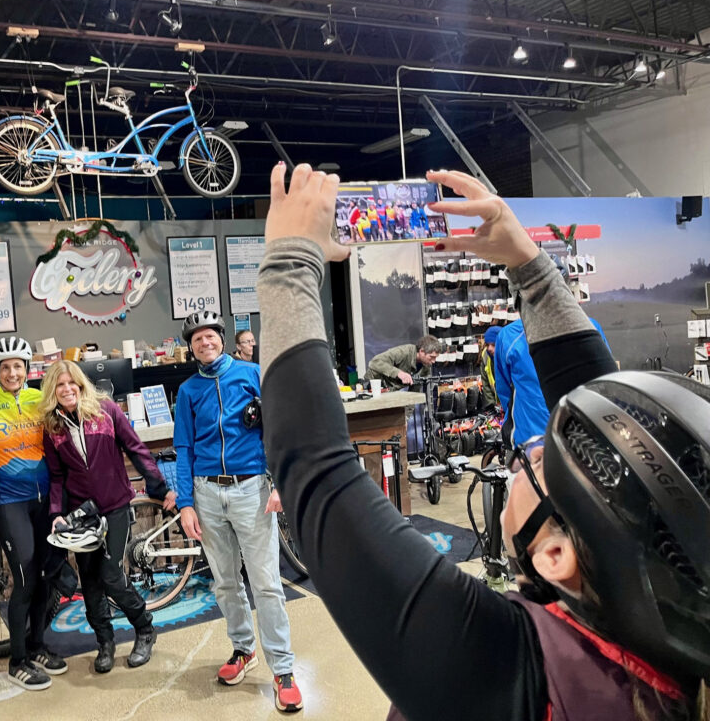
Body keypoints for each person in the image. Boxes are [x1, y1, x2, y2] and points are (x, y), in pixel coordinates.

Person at [257, 162, 710, 720]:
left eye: (547, 466)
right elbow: (592, 413)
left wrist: (287, 262)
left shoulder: (506, 670)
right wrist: (531, 270)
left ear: (556, 555)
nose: (537, 449)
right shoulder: (657, 653)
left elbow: (315, 471)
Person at [173, 311, 303, 714]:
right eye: (197, 339)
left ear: (222, 339)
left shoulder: (251, 374)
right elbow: (183, 449)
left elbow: (279, 429)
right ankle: (243, 650)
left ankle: (283, 670)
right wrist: (185, 503)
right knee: (226, 584)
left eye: (210, 336)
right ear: (190, 346)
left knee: (265, 583)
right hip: (207, 494)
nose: (204, 343)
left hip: (251, 490)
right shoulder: (188, 390)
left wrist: (281, 481)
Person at [40, 360, 174, 674]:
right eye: (60, 385)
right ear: (52, 390)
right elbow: (56, 476)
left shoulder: (106, 410)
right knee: (90, 581)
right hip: (82, 514)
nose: (67, 389)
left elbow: (136, 448)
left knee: (112, 576)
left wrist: (159, 485)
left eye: (72, 382)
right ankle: (105, 642)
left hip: (115, 506)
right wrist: (57, 514)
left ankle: (144, 628)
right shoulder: (52, 427)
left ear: (81, 383)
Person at [0, 337, 62, 691]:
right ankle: (17, 661)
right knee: (24, 575)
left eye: (18, 366)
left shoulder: (41, 400)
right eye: (5, 367)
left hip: (43, 499)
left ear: (28, 369)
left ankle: (37, 647)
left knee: (44, 576)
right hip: (9, 500)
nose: (12, 373)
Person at [494, 308, 606, 446]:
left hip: (544, 438)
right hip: (537, 439)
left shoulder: (509, 336)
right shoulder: (508, 336)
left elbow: (504, 391)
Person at [366, 336, 440, 389]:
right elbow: (374, 362)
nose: (433, 361)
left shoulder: (426, 366)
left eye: (435, 358)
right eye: (431, 357)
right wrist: (399, 373)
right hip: (372, 386)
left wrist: (409, 409)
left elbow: (415, 390)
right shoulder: (404, 352)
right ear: (422, 351)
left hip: (391, 390)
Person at [480, 325, 501, 412]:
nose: (489, 348)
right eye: (487, 345)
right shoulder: (485, 355)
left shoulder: (509, 357)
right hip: (497, 406)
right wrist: (492, 405)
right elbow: (485, 383)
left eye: (493, 345)